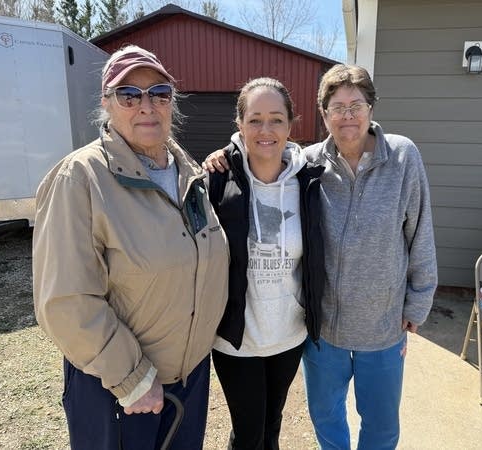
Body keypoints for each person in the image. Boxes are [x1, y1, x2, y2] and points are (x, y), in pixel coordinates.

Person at [203, 64, 437, 449]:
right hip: (322, 327)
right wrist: (223, 155)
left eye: (356, 105)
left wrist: (419, 301)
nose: (348, 116)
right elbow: (258, 149)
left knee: (380, 424)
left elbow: (420, 232)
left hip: (381, 323)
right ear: (323, 115)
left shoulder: (401, 157)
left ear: (372, 108)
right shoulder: (310, 166)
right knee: (325, 417)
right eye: (337, 107)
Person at [32, 45, 229, 450]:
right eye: (129, 94)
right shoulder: (80, 178)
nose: (146, 106)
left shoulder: (187, 173)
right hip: (119, 390)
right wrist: (132, 379)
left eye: (159, 93)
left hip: (188, 379)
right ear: (107, 103)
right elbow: (66, 300)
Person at [204, 77, 324, 450]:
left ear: (291, 125)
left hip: (288, 334)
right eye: (255, 120)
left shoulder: (309, 181)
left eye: (276, 119)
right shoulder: (216, 180)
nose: (266, 130)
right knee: (248, 431)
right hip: (237, 338)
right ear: (239, 125)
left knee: (273, 424)